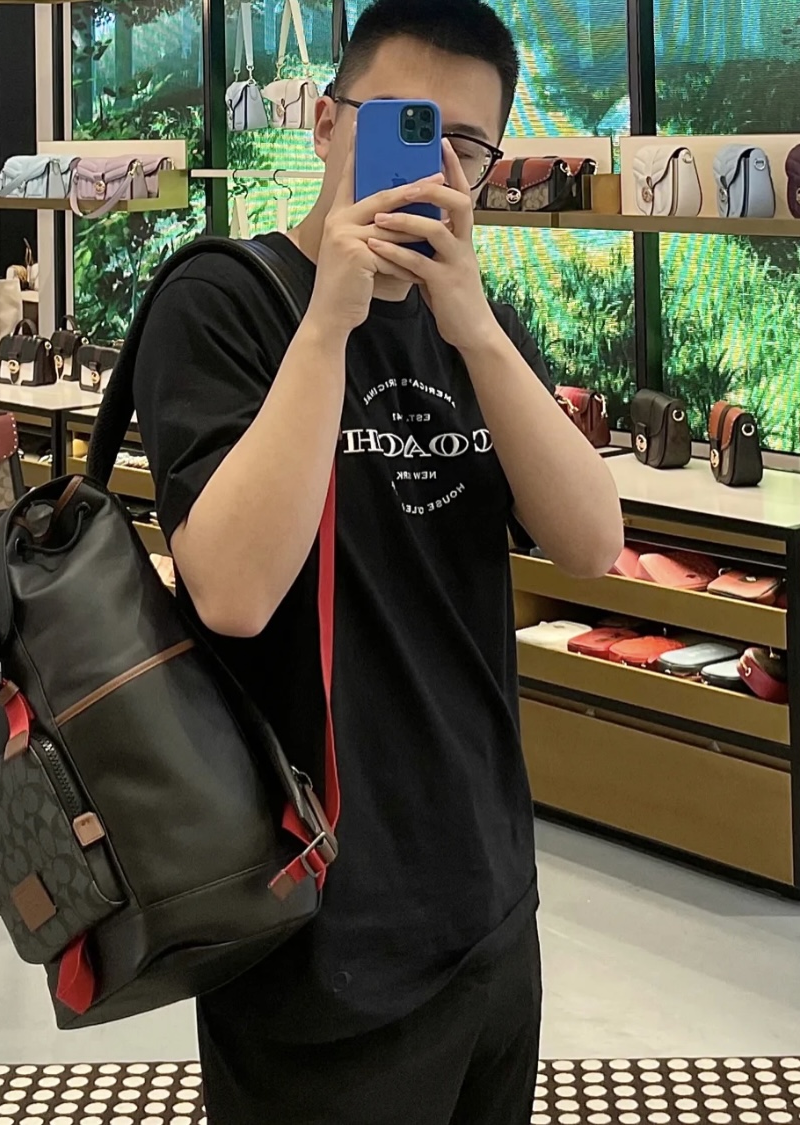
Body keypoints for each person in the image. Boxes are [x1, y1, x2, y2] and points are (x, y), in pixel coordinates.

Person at [133, 1, 624, 1120]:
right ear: (325, 124)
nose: (435, 165)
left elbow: (593, 542)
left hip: (487, 897)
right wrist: (330, 323)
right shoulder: (223, 304)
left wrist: (473, 324)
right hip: (308, 919)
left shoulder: (476, 327)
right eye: (405, 125)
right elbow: (233, 591)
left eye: (467, 145)